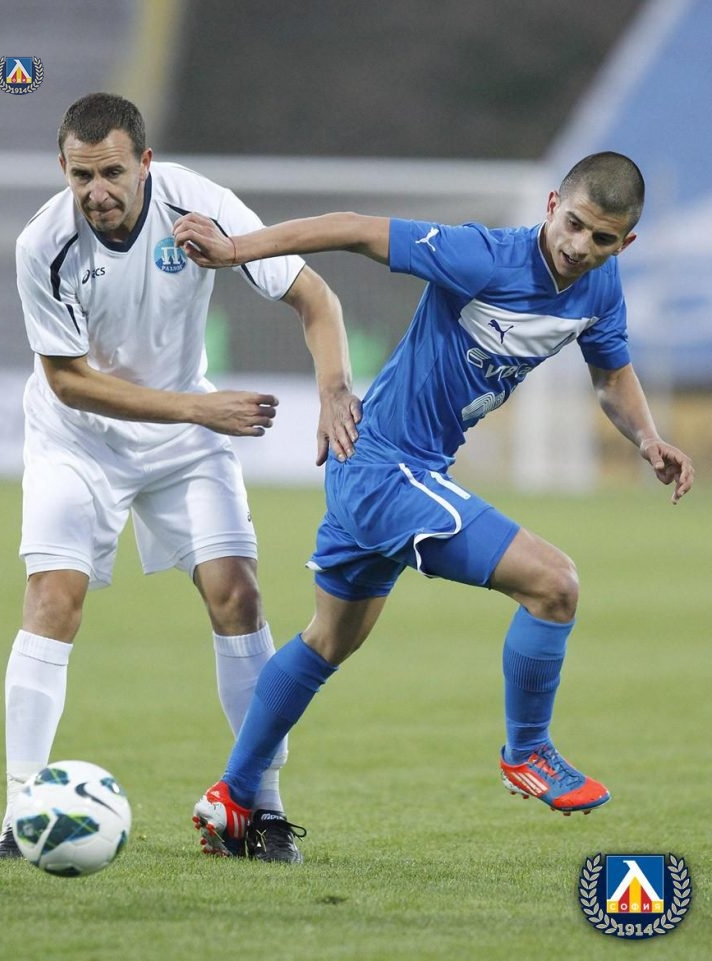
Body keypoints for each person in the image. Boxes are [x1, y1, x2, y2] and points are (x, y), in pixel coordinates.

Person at [170, 152, 695, 856]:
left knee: (328, 641)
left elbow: (611, 375)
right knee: (555, 584)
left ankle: (232, 794)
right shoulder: (483, 256)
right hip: (388, 468)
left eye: (601, 238)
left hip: (384, 470)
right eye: (573, 224)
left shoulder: (599, 288)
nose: (580, 246)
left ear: (623, 243)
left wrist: (648, 438)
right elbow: (354, 227)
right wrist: (237, 250)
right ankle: (528, 752)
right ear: (551, 205)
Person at [0, 92, 361, 865]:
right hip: (77, 440)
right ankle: (22, 815)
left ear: (146, 163)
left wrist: (333, 390)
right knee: (54, 597)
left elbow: (314, 296)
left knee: (238, 593)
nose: (97, 192)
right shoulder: (42, 244)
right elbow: (69, 382)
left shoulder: (200, 205)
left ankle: (259, 809)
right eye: (81, 176)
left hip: (184, 439)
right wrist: (197, 407)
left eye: (112, 173)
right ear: (63, 168)